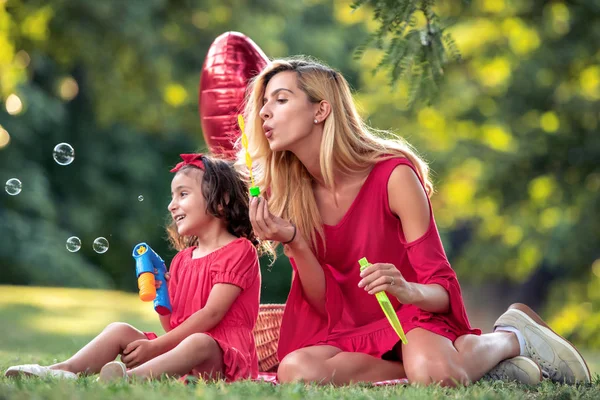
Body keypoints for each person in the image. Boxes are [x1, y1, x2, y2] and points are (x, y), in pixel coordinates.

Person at [236, 57, 591, 386]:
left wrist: (405, 288)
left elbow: (441, 291)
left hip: (414, 315)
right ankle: (471, 365)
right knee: (296, 370)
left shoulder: (393, 176)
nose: (265, 112)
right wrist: (295, 241)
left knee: (432, 372)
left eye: (280, 100)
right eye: (264, 103)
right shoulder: (292, 196)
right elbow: (324, 303)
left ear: (321, 110)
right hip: (348, 334)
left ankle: (510, 337)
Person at [5, 153, 272, 382]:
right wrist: (162, 297)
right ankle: (63, 370)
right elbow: (173, 325)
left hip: (223, 359)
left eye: (183, 194)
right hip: (182, 353)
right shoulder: (182, 260)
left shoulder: (239, 251)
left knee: (199, 341)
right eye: (172, 196)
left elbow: (211, 316)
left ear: (221, 199)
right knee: (120, 329)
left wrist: (154, 347)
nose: (172, 204)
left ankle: (132, 378)